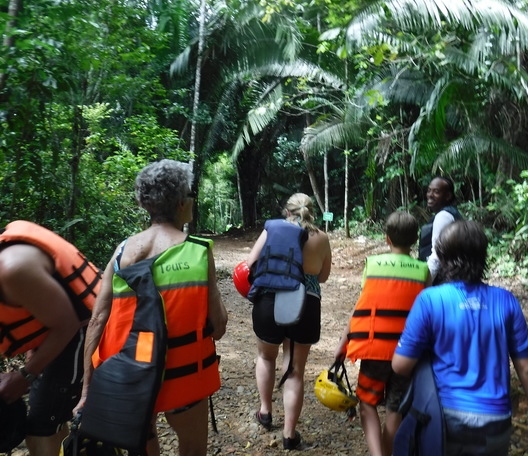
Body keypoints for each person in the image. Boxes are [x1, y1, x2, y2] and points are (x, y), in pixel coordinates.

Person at [77, 159, 228, 456]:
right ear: (182, 203)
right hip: (184, 377)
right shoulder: (198, 251)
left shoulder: (122, 251)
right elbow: (219, 326)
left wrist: (86, 390)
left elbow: (97, 322)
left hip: (130, 374)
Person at [392, 220, 528, 455]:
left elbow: (401, 366)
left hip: (444, 419)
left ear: (442, 256)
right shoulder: (506, 301)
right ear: (483, 256)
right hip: (495, 421)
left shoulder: (430, 300)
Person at [0, 220, 101, 456]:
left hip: (80, 330)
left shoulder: (14, 269)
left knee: (40, 425)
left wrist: (25, 375)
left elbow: (66, 325)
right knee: (47, 412)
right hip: (54, 331)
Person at [334, 211, 429, 456]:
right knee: (395, 408)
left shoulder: (373, 265)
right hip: (406, 353)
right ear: (415, 240)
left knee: (367, 402)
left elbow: (361, 306)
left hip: (373, 346)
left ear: (387, 239)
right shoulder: (423, 270)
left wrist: (343, 343)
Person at [247, 193, 332, 451]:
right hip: (305, 303)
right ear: (311, 212)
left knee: (266, 357)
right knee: (294, 369)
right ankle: (289, 434)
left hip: (269, 299)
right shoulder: (322, 237)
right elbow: (324, 275)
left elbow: (251, 264)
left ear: (287, 211)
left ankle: (265, 411)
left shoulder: (272, 228)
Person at [417, 176, 463, 284]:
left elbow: (437, 255)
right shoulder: (451, 213)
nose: (430, 195)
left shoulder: (443, 216)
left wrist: (424, 284)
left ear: (448, 196)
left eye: (436, 192)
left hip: (442, 279)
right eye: (429, 191)